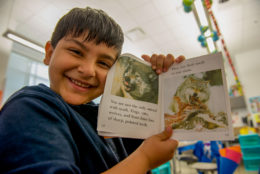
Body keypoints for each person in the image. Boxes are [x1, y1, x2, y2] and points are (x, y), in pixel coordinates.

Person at [0, 7, 185, 174]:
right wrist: (145, 159)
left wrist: (161, 81)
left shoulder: (104, 116)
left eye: (104, 63)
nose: (88, 70)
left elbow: (155, 132)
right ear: (49, 53)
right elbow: (143, 155)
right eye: (76, 52)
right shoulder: (30, 108)